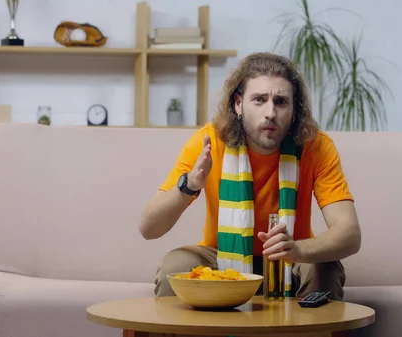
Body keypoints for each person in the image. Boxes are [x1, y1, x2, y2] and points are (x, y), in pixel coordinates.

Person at [139, 52, 361, 301]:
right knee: (175, 265)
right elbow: (149, 228)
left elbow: (349, 234)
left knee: (325, 267)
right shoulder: (209, 142)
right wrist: (189, 186)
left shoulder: (315, 145)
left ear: (294, 110)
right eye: (259, 100)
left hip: (291, 256)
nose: (270, 112)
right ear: (238, 104)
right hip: (221, 254)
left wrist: (298, 249)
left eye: (280, 101)